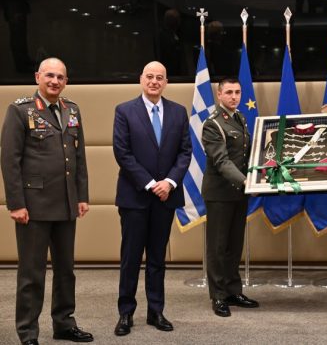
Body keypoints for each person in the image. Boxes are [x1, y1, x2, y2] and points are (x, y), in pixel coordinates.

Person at [1, 57, 93, 344]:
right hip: (34, 206)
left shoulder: (72, 109)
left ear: (66, 81)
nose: (55, 81)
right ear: (37, 77)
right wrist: (16, 203)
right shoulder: (20, 110)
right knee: (32, 273)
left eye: (60, 77)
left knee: (66, 271)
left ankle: (64, 323)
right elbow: (10, 160)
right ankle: (28, 332)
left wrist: (81, 196)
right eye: (50, 75)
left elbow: (79, 157)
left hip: (66, 203)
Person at [112, 61, 192, 336]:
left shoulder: (178, 112)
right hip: (135, 197)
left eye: (160, 77)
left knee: (157, 258)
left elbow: (185, 152)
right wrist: (149, 184)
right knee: (131, 258)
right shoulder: (124, 111)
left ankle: (156, 311)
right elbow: (122, 153)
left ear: (166, 82)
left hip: (166, 197)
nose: (154, 81)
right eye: (149, 76)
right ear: (141, 79)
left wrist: (169, 182)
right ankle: (126, 313)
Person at [202, 78, 259, 317]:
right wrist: (246, 181)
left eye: (237, 92)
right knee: (218, 247)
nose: (234, 97)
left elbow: (247, 155)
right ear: (219, 94)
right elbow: (221, 161)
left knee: (234, 245)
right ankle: (218, 296)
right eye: (229, 92)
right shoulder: (213, 124)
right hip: (220, 194)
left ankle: (233, 291)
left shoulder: (240, 119)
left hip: (238, 193)